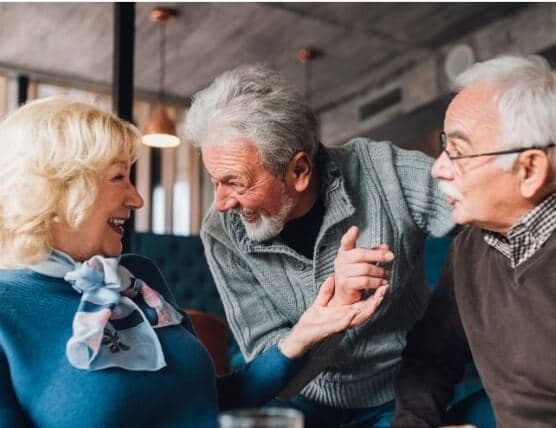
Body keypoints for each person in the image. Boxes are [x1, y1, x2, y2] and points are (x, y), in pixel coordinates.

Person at [0, 97, 387, 428]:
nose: (137, 200)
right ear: (58, 187)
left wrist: (306, 331)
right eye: (119, 177)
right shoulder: (6, 311)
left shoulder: (138, 277)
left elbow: (208, 402)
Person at [183, 64, 455, 427]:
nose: (221, 202)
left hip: (401, 393)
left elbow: (484, 208)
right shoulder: (222, 232)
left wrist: (448, 315)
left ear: (298, 171)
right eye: (215, 181)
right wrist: (333, 312)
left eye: (236, 183)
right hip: (299, 400)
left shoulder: (384, 172)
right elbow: (270, 361)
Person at [392, 54, 556, 427]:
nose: (437, 168)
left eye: (459, 153)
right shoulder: (471, 247)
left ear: (529, 170)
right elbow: (428, 359)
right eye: (443, 147)